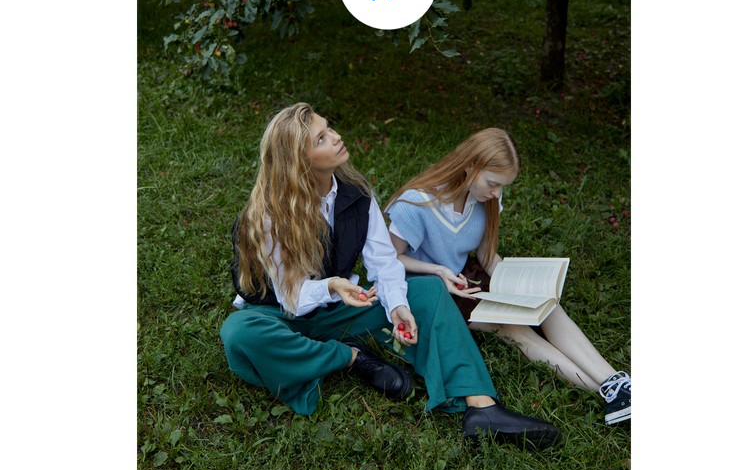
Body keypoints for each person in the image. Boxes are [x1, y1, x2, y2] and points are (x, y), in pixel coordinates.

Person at [219, 103, 562, 449]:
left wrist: (398, 306)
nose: (337, 137)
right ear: (299, 159)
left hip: (339, 306)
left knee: (427, 292)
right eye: (322, 138)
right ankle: (349, 357)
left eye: (330, 128)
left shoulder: (358, 197)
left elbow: (384, 264)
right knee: (239, 333)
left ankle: (482, 408)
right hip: (279, 313)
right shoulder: (267, 214)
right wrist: (333, 286)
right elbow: (291, 295)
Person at [384, 127, 631, 426]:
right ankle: (605, 392)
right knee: (513, 327)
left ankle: (616, 381)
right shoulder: (416, 204)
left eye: (503, 186)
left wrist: (517, 283)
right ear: (469, 166)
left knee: (546, 304)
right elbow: (390, 260)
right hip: (434, 289)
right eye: (493, 183)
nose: (496, 193)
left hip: (465, 276)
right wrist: (437, 269)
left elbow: (487, 256)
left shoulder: (484, 199)